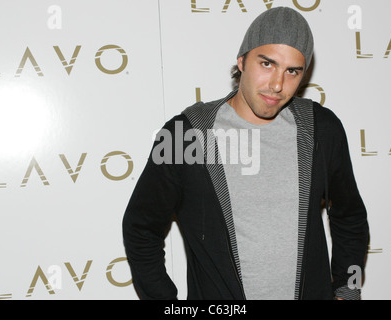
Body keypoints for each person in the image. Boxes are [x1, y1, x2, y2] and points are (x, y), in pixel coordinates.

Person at [122, 7, 369, 300]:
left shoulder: (322, 129)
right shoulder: (186, 134)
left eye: (292, 71)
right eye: (267, 64)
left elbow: (350, 217)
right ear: (242, 61)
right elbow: (140, 227)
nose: (277, 85)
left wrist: (347, 290)